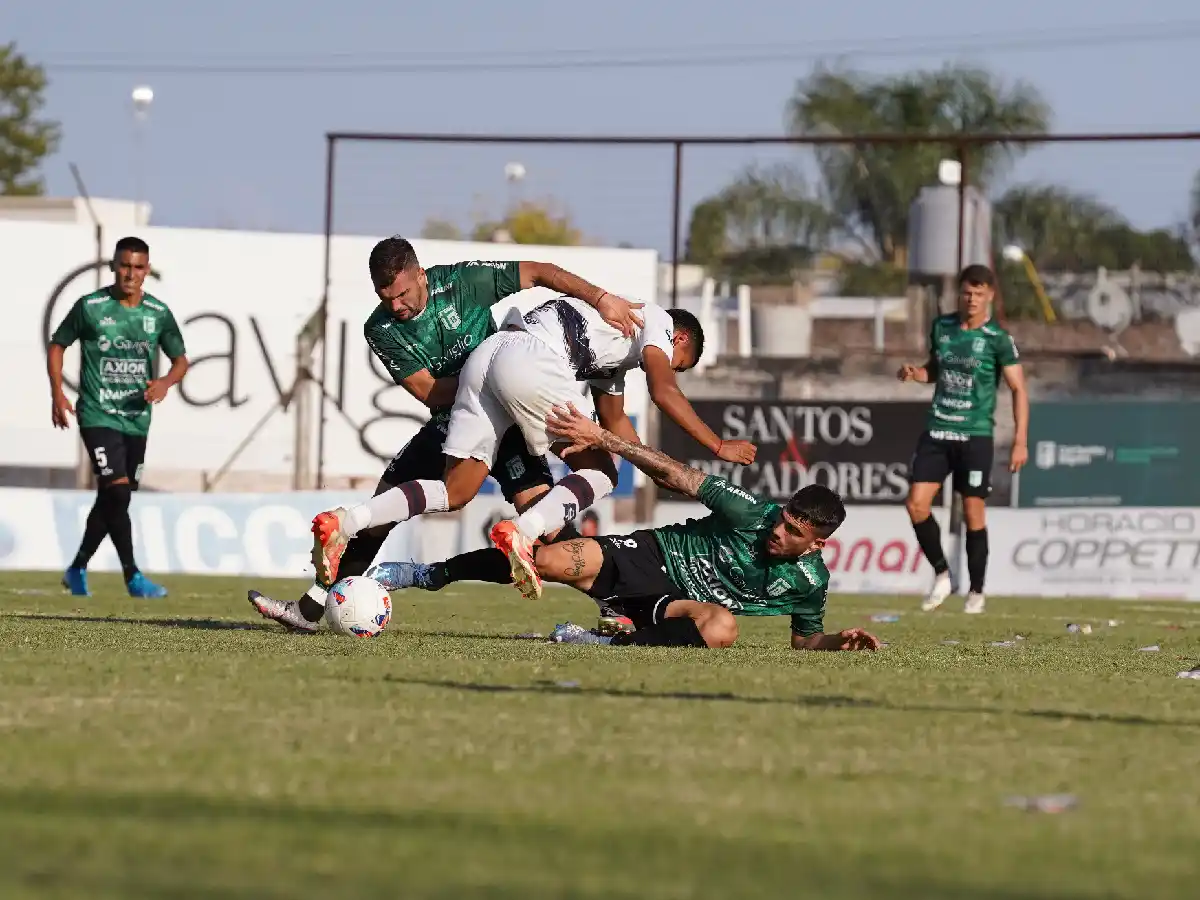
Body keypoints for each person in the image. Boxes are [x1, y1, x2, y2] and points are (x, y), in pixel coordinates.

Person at [249, 236, 643, 632]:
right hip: (449, 424)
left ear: (421, 275)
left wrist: (601, 298)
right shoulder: (380, 328)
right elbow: (427, 391)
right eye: (385, 298)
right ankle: (309, 610)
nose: (395, 306)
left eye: (402, 294)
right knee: (378, 515)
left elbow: (539, 272)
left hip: (507, 422)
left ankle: (617, 603)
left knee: (547, 523)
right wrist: (485, 375)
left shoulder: (462, 282)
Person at [310, 285, 757, 602]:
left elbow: (617, 425)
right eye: (678, 362)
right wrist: (717, 447)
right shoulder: (654, 320)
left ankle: (348, 520)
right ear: (678, 339)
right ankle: (522, 533)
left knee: (456, 491)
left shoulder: (613, 352)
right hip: (532, 363)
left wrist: (664, 472)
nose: (666, 367)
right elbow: (664, 392)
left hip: (488, 358)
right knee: (601, 472)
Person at [367, 402, 879, 652]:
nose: (778, 532)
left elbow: (803, 644)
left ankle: (606, 641)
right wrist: (604, 438)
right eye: (784, 520)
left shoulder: (810, 584)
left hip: (675, 606)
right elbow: (673, 473)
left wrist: (839, 642)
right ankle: (427, 575)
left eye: (793, 533)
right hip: (650, 557)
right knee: (543, 559)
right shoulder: (753, 511)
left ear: (818, 543)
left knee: (722, 627)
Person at [48, 236, 189, 598]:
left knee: (116, 497)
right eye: (124, 265)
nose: (131, 273)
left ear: (147, 271)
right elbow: (58, 343)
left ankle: (77, 567)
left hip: (136, 419)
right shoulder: (91, 307)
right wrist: (56, 393)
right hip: (97, 413)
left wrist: (165, 383)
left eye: (138, 267)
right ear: (113, 266)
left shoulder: (157, 313)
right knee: (118, 490)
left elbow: (180, 361)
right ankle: (132, 577)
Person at [897, 264, 1029, 615]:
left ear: (990, 296)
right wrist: (916, 374)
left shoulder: (998, 339)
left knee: (973, 511)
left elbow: (1018, 388)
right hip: (938, 429)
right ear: (959, 293)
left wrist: (1020, 441)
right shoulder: (943, 327)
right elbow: (934, 371)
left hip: (975, 435)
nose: (971, 299)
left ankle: (977, 590)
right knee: (916, 504)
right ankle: (942, 574)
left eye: (979, 293)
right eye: (967, 292)